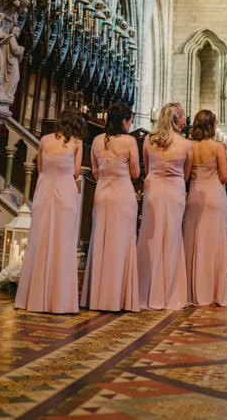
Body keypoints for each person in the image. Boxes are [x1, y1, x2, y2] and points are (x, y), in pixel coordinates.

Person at [15, 114, 84, 313]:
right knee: (62, 242)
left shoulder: (44, 140)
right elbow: (76, 172)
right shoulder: (76, 142)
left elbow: (40, 168)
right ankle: (59, 300)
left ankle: (34, 297)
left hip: (44, 190)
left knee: (40, 240)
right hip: (65, 192)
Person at [82, 102, 142, 311]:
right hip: (123, 195)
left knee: (101, 241)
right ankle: (119, 297)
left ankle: (98, 296)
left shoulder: (97, 140)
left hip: (103, 193)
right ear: (124, 121)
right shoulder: (129, 142)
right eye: (130, 120)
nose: (130, 124)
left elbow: (95, 171)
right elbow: (135, 173)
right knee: (122, 244)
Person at [137, 102, 192, 309]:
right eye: (183, 117)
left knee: (149, 236)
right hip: (175, 191)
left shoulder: (148, 141)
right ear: (176, 120)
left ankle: (146, 290)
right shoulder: (185, 144)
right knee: (172, 237)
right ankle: (170, 292)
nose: (185, 121)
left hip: (154, 189)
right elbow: (186, 175)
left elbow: (148, 168)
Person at [183, 109, 227, 306]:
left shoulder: (189, 146)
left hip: (195, 195)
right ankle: (213, 291)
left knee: (194, 242)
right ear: (212, 126)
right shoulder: (217, 147)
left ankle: (194, 290)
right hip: (214, 197)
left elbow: (186, 176)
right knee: (214, 243)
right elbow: (224, 177)